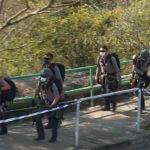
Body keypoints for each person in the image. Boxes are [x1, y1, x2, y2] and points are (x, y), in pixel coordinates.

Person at [33, 68, 60, 142]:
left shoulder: (52, 85)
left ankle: (54, 137)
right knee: (38, 118)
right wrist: (34, 98)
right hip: (44, 101)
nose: (43, 79)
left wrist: (52, 106)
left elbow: (57, 97)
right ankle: (41, 135)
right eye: (42, 77)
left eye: (44, 77)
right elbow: (37, 90)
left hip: (52, 102)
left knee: (53, 120)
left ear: (48, 77)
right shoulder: (40, 82)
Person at [95, 46, 121, 111]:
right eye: (100, 51)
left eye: (103, 51)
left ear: (107, 51)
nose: (102, 53)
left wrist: (119, 79)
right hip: (104, 77)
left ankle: (113, 104)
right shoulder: (99, 59)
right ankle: (107, 106)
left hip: (111, 77)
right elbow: (98, 68)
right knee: (103, 91)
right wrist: (96, 76)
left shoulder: (111, 59)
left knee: (110, 92)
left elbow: (117, 69)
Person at [42, 53, 65, 129]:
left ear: (51, 60)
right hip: (47, 89)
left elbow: (60, 79)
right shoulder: (43, 67)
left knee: (54, 105)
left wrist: (62, 91)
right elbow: (43, 77)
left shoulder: (55, 68)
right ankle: (50, 123)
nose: (46, 60)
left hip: (55, 88)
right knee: (48, 105)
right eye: (45, 58)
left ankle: (56, 122)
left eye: (48, 59)